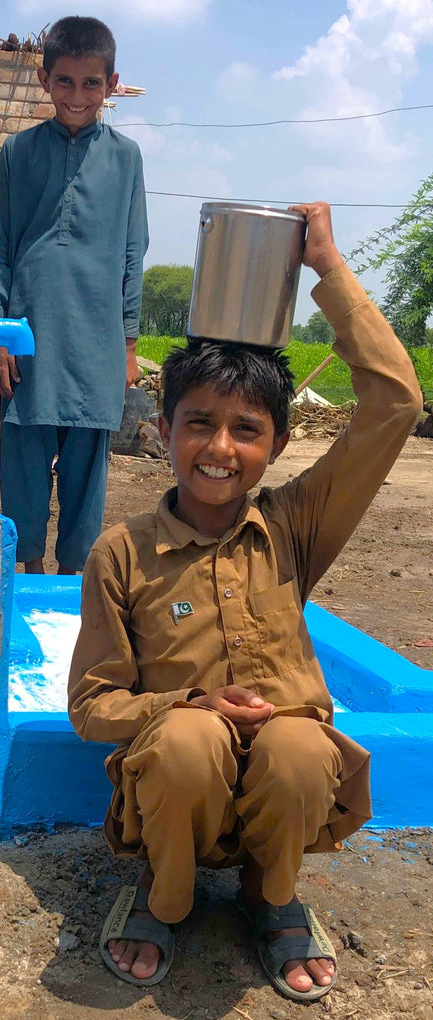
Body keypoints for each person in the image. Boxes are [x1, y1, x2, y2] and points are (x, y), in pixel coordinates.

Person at [68, 203, 422, 1002]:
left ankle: (273, 898)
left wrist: (328, 270)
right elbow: (92, 705)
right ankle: (168, 897)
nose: (220, 449)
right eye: (198, 423)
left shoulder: (294, 525)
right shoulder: (121, 553)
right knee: (191, 740)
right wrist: (188, 703)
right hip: (174, 794)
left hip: (282, 794)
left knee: (300, 749)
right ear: (162, 428)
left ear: (278, 445)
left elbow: (396, 404)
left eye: (245, 429)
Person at [0, 15, 148, 575]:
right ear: (44, 80)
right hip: (29, 336)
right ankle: (25, 582)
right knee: (24, 468)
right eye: (65, 82)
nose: (78, 96)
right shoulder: (18, 152)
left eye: (91, 84)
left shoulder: (126, 159)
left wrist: (127, 345)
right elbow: (0, 247)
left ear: (111, 83)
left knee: (86, 476)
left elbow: (133, 253)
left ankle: (73, 589)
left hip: (97, 342)